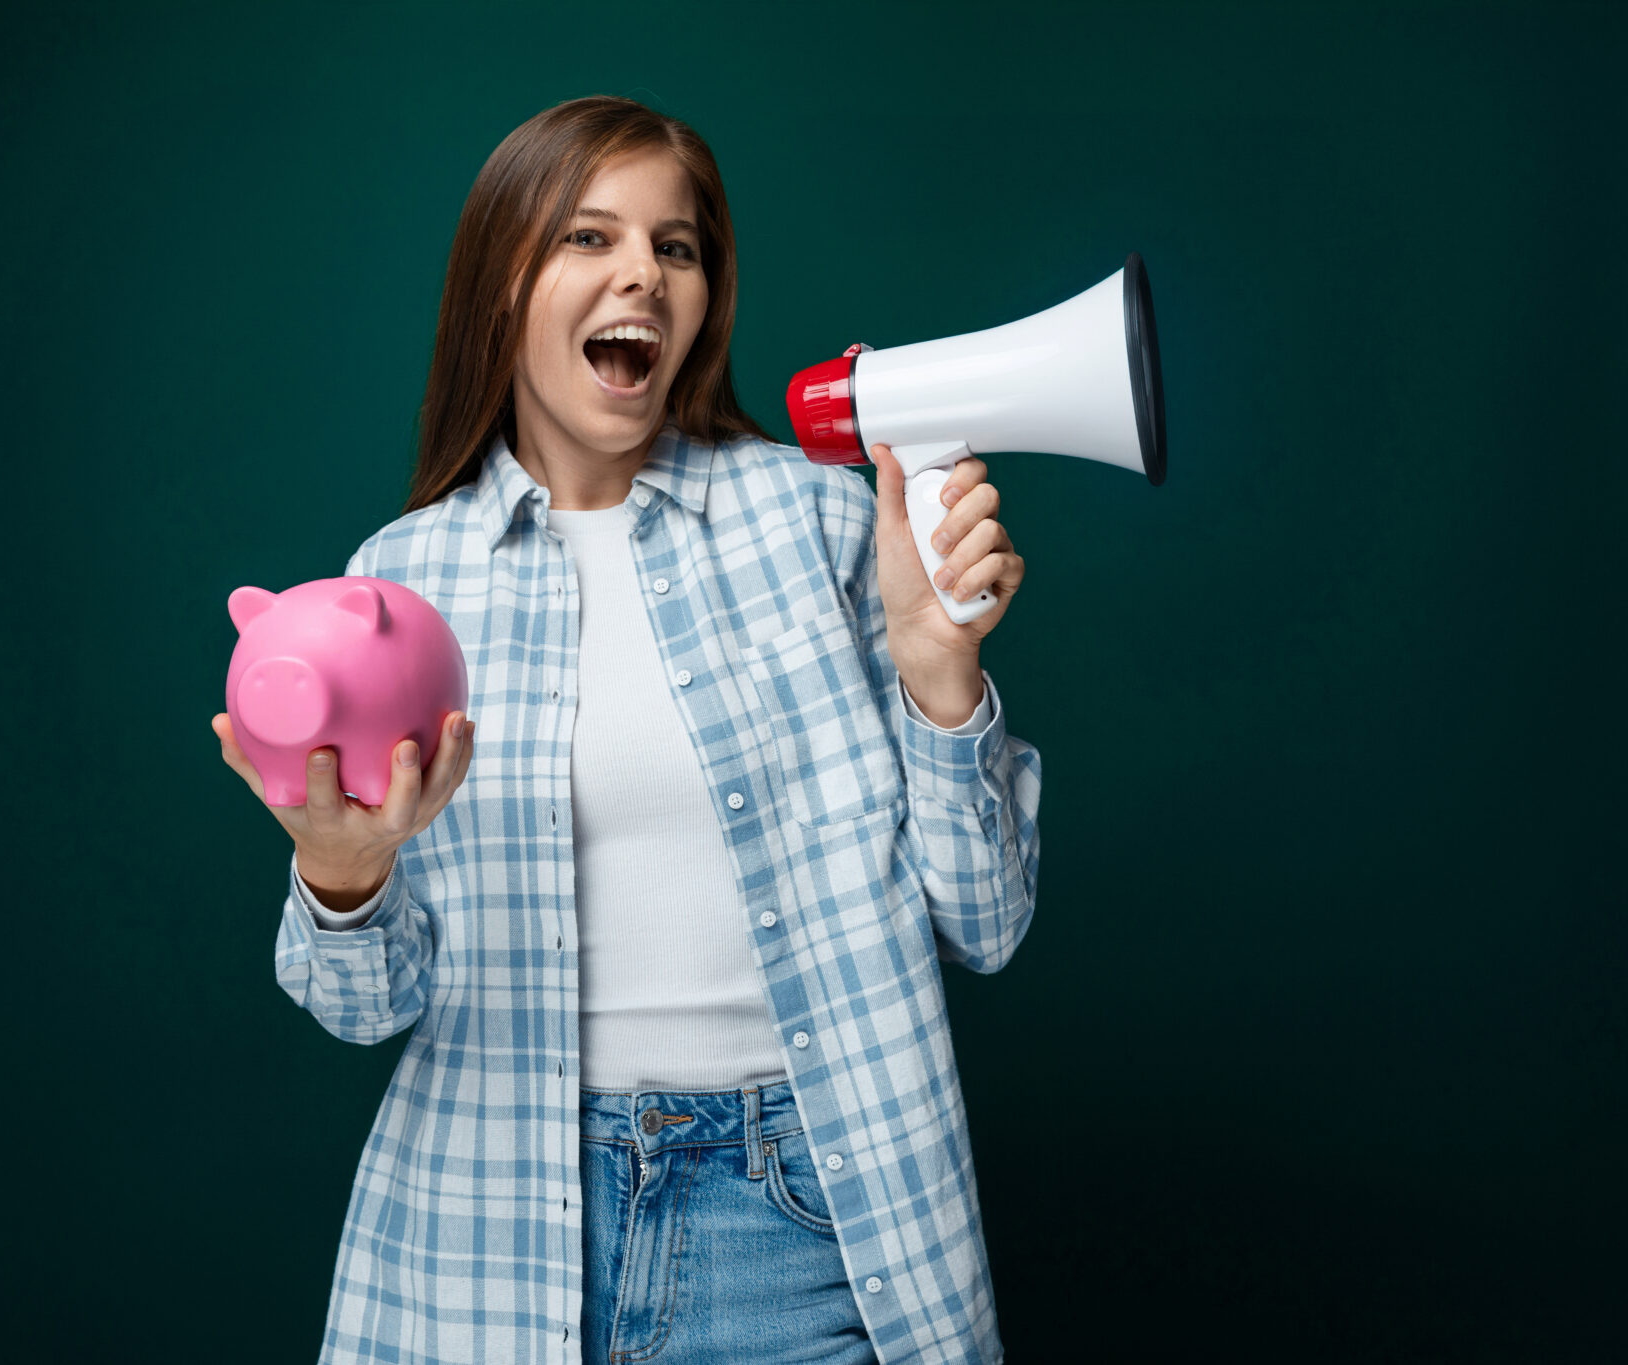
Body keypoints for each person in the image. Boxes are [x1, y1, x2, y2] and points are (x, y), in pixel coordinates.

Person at [213, 96, 1041, 1365]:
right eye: (587, 238)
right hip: (489, 1236)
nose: (640, 277)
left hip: (804, 1219)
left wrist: (939, 677)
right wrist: (340, 870)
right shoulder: (399, 584)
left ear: (703, 298)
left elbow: (983, 919)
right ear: (504, 284)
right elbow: (359, 1006)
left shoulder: (820, 527)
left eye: (676, 247)